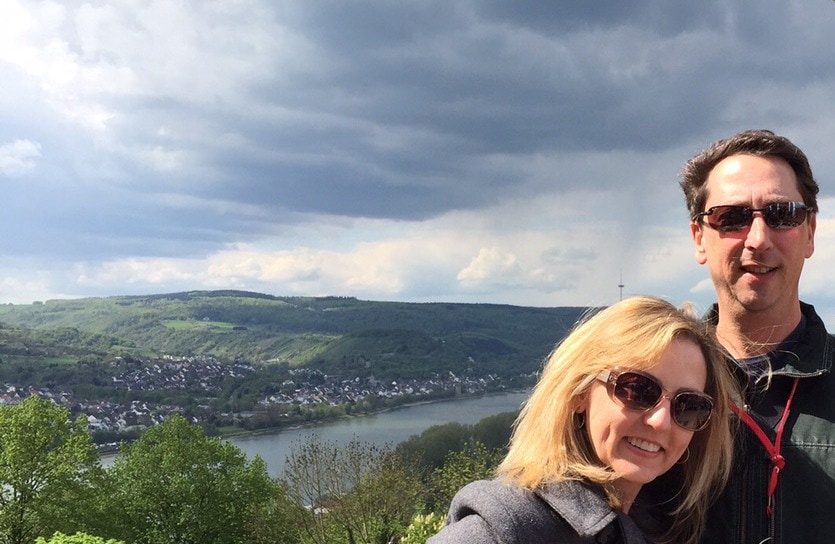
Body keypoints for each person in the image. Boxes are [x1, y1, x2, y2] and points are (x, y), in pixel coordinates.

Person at [427, 296, 737, 544]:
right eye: (638, 389)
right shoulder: (508, 528)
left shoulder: (656, 528)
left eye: (689, 406)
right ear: (580, 393)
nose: (661, 421)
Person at [679, 129, 835, 543]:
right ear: (699, 237)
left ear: (810, 232)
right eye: (731, 218)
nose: (758, 239)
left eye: (782, 214)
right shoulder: (648, 391)